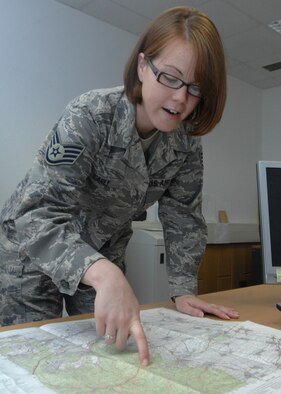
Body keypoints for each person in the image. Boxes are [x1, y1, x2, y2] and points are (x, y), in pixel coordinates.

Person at [0, 6, 239, 366]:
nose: (180, 99)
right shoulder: (91, 115)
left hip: (103, 249)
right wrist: (104, 273)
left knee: (112, 356)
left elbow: (183, 216)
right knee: (31, 360)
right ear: (143, 66)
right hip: (33, 254)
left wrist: (183, 289)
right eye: (171, 78)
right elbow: (34, 215)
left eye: (195, 89)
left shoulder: (186, 141)